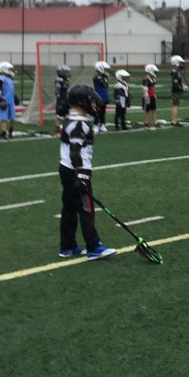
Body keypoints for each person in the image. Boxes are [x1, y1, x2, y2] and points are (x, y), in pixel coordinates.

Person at [56, 85, 115, 260]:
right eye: (90, 101)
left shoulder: (70, 119)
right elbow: (75, 151)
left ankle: (67, 246)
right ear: (81, 102)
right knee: (86, 208)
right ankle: (93, 246)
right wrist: (81, 174)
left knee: (69, 207)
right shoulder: (80, 124)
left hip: (65, 168)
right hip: (77, 170)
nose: (93, 104)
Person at [93, 61, 112, 133]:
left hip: (104, 96)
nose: (106, 71)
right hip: (98, 95)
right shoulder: (97, 78)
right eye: (104, 69)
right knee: (97, 111)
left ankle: (102, 124)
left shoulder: (104, 77)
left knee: (103, 111)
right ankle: (96, 125)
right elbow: (101, 85)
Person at [53, 64, 71, 132]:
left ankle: (65, 128)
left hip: (65, 99)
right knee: (59, 116)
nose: (67, 74)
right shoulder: (59, 80)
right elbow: (57, 92)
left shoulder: (65, 80)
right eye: (65, 72)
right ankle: (58, 130)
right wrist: (61, 100)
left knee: (67, 115)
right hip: (61, 100)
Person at [142, 63, 159, 129]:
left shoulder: (152, 79)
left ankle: (155, 122)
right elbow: (145, 90)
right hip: (147, 96)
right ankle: (146, 122)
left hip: (152, 96)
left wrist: (154, 95)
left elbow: (153, 88)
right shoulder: (146, 80)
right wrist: (146, 97)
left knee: (154, 109)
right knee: (147, 110)